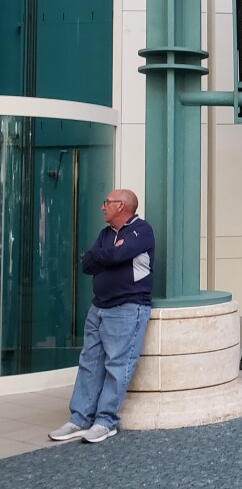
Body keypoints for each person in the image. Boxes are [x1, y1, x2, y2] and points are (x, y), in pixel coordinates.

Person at [49, 189, 154, 444]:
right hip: (98, 308)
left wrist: (106, 255)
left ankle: (105, 422)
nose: (102, 207)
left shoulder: (141, 230)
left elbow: (116, 255)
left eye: (107, 202)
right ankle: (79, 419)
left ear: (122, 206)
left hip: (127, 307)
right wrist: (104, 255)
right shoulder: (106, 234)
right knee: (89, 362)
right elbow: (87, 263)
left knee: (117, 365)